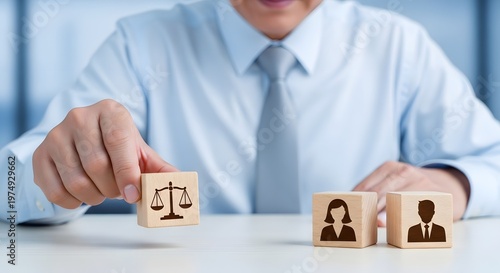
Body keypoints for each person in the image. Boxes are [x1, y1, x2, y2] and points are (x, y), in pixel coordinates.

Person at [1, 0, 500, 225]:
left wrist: (455, 182)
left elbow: (491, 159)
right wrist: (48, 173)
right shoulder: (143, 43)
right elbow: (7, 183)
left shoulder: (398, 44)